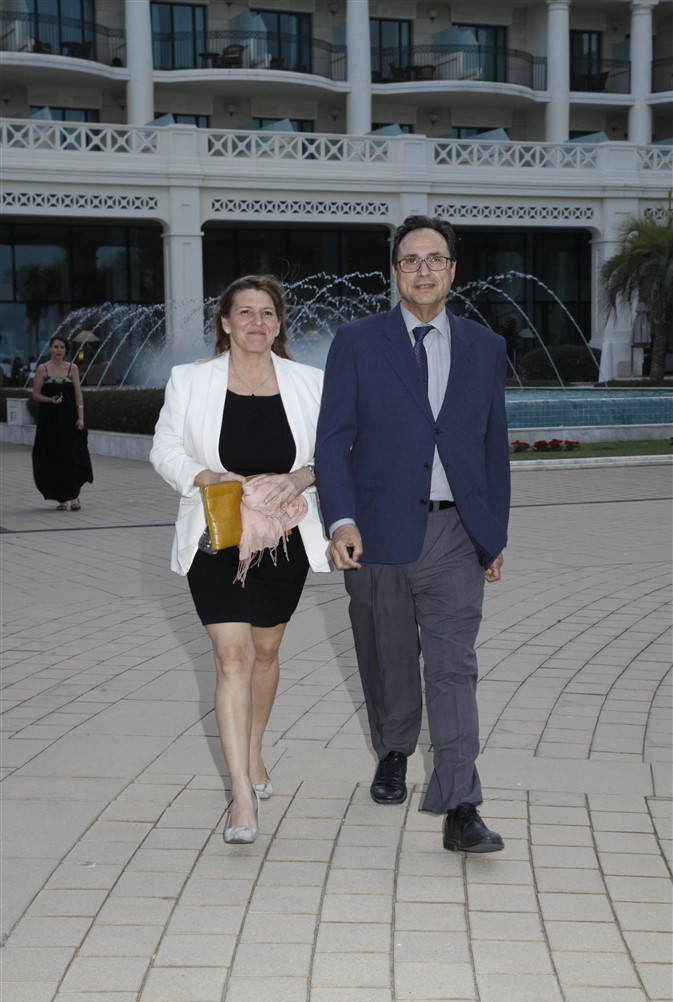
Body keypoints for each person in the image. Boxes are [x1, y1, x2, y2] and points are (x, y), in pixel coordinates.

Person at [315, 215, 511, 854]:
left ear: (453, 270)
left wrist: (492, 533)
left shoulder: (485, 346)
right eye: (410, 260)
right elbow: (333, 442)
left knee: (454, 668)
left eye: (435, 259)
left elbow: (493, 446)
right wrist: (341, 521)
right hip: (376, 533)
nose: (423, 270)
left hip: (455, 532)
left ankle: (461, 804)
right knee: (388, 655)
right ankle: (395, 748)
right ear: (394, 272)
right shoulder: (357, 342)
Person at [150, 275, 330, 845]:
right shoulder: (191, 379)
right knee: (233, 657)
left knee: (266, 651)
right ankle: (242, 798)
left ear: (279, 325)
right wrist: (205, 476)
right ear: (225, 322)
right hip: (217, 531)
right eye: (245, 312)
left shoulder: (309, 382)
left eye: (268, 313)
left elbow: (338, 449)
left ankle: (253, 750)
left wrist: (301, 477)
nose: (257, 322)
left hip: (284, 534)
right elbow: (164, 448)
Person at [32, 335, 93, 511]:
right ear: (50, 348)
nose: (58, 350)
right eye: (55, 347)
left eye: (62, 347)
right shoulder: (43, 369)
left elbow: (78, 394)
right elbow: (35, 394)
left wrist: (81, 417)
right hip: (50, 422)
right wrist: (49, 400)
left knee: (72, 457)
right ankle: (61, 498)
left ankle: (74, 497)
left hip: (69, 420)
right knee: (54, 458)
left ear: (66, 350)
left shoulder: (72, 368)